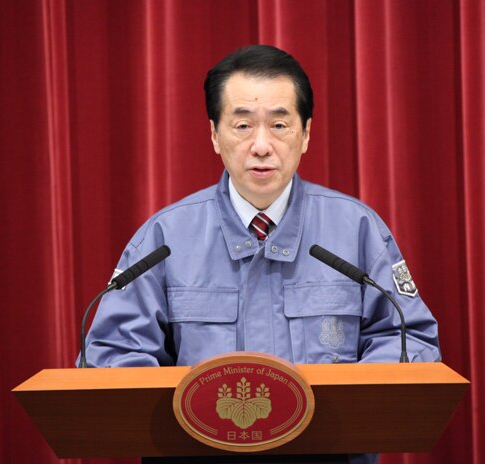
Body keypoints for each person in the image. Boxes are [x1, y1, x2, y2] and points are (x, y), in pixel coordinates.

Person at [80, 45, 441, 464]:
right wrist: (190, 415)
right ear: (214, 134)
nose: (261, 145)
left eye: (280, 124)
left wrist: (339, 402)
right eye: (243, 125)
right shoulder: (164, 238)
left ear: (306, 134)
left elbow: (409, 339)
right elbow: (108, 355)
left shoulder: (357, 230)